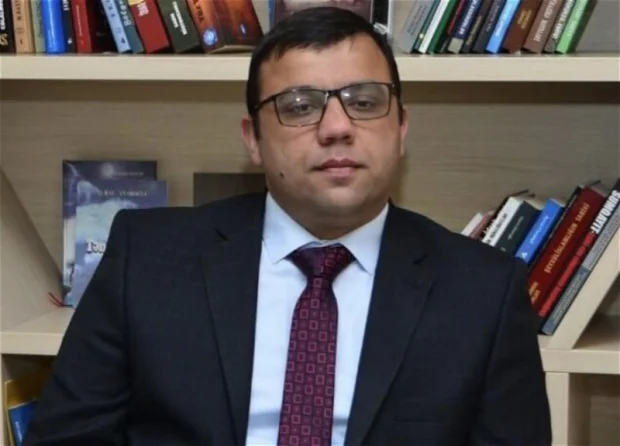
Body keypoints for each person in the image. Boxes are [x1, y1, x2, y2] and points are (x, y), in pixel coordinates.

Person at [23, 6, 552, 446]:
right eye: (299, 107)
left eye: (365, 102)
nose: (337, 128)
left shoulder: (484, 291)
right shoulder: (147, 258)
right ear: (253, 139)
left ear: (401, 127)